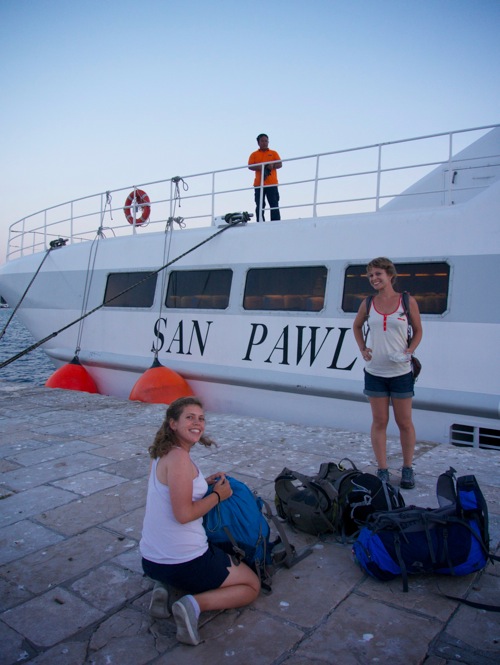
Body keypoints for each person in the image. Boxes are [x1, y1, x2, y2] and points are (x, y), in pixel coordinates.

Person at [140, 396, 260, 646]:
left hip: (151, 561)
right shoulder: (181, 460)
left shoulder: (161, 454)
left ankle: (164, 589)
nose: (198, 423)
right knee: (251, 585)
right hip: (184, 563)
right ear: (173, 423)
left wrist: (201, 485)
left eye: (201, 418)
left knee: (200, 562)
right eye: (189, 418)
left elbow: (172, 490)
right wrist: (218, 495)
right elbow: (183, 515)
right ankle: (192, 605)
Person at [352, 257, 423, 489]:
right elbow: (356, 325)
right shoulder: (368, 303)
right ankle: (382, 469)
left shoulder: (406, 301)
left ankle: (407, 469)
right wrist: (363, 348)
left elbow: (419, 330)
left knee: (404, 422)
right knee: (379, 421)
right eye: (371, 275)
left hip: (401, 372)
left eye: (378, 274)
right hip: (375, 372)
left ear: (390, 275)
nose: (374, 279)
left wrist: (410, 350)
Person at [248, 133, 282, 221]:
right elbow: (250, 166)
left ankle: (276, 222)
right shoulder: (254, 154)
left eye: (266, 141)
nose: (264, 143)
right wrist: (262, 166)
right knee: (259, 204)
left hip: (271, 183)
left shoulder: (273, 153)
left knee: (274, 203)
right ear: (258, 143)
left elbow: (280, 164)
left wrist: (272, 165)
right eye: (262, 141)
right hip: (259, 184)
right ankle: (260, 221)